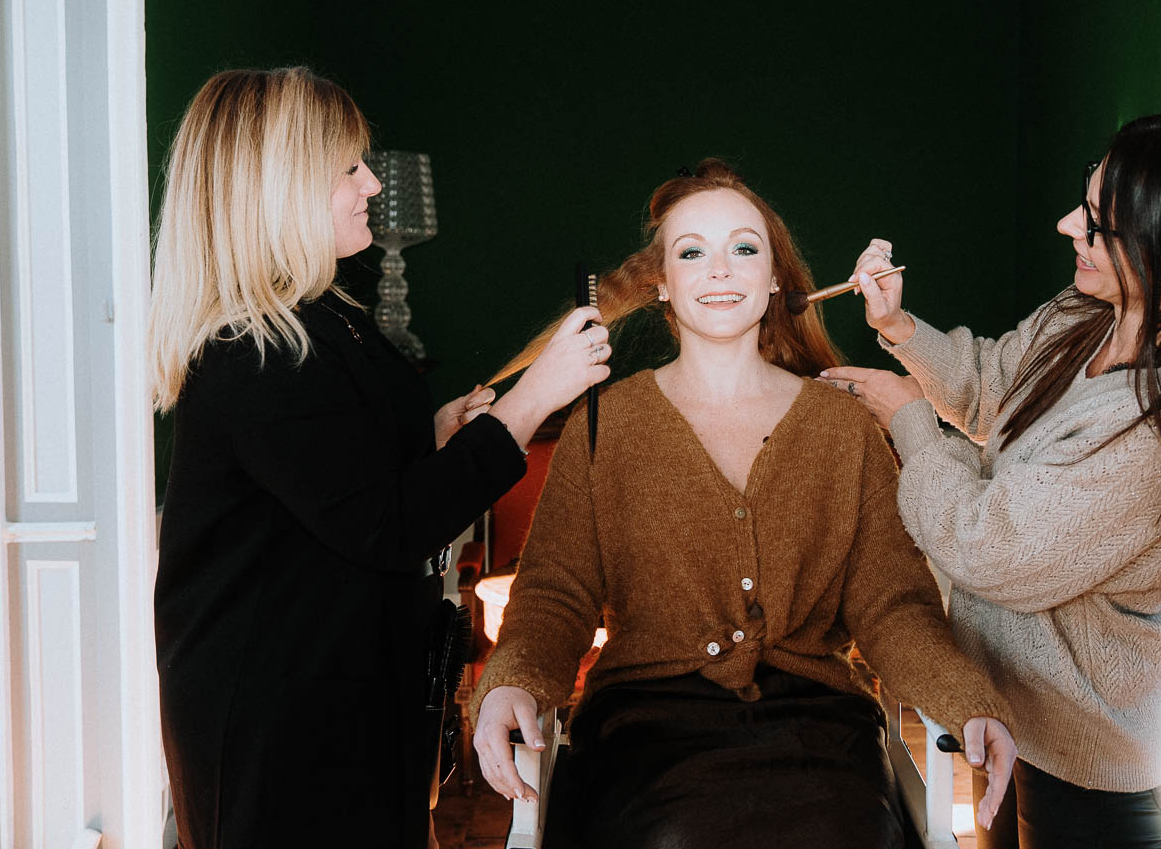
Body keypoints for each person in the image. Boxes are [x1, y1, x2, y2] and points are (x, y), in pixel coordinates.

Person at [470, 160, 1017, 849]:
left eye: (744, 249)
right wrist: (512, 681)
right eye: (692, 253)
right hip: (642, 728)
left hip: (819, 727)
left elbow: (892, 605)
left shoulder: (843, 427)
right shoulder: (605, 425)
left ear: (777, 278)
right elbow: (554, 594)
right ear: (661, 284)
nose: (721, 270)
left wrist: (966, 700)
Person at [148, 67, 612, 849]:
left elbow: (329, 480)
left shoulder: (327, 315)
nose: (370, 183)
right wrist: (534, 399)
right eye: (348, 169)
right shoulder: (255, 351)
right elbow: (388, 526)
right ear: (279, 189)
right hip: (283, 729)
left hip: (343, 690)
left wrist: (431, 438)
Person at [821, 112, 1161, 849]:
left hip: (1086, 765)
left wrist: (908, 419)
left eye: (1097, 226)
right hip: (1005, 713)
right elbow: (989, 387)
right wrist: (899, 327)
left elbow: (986, 544)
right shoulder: (1084, 314)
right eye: (1085, 200)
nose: (1067, 225)